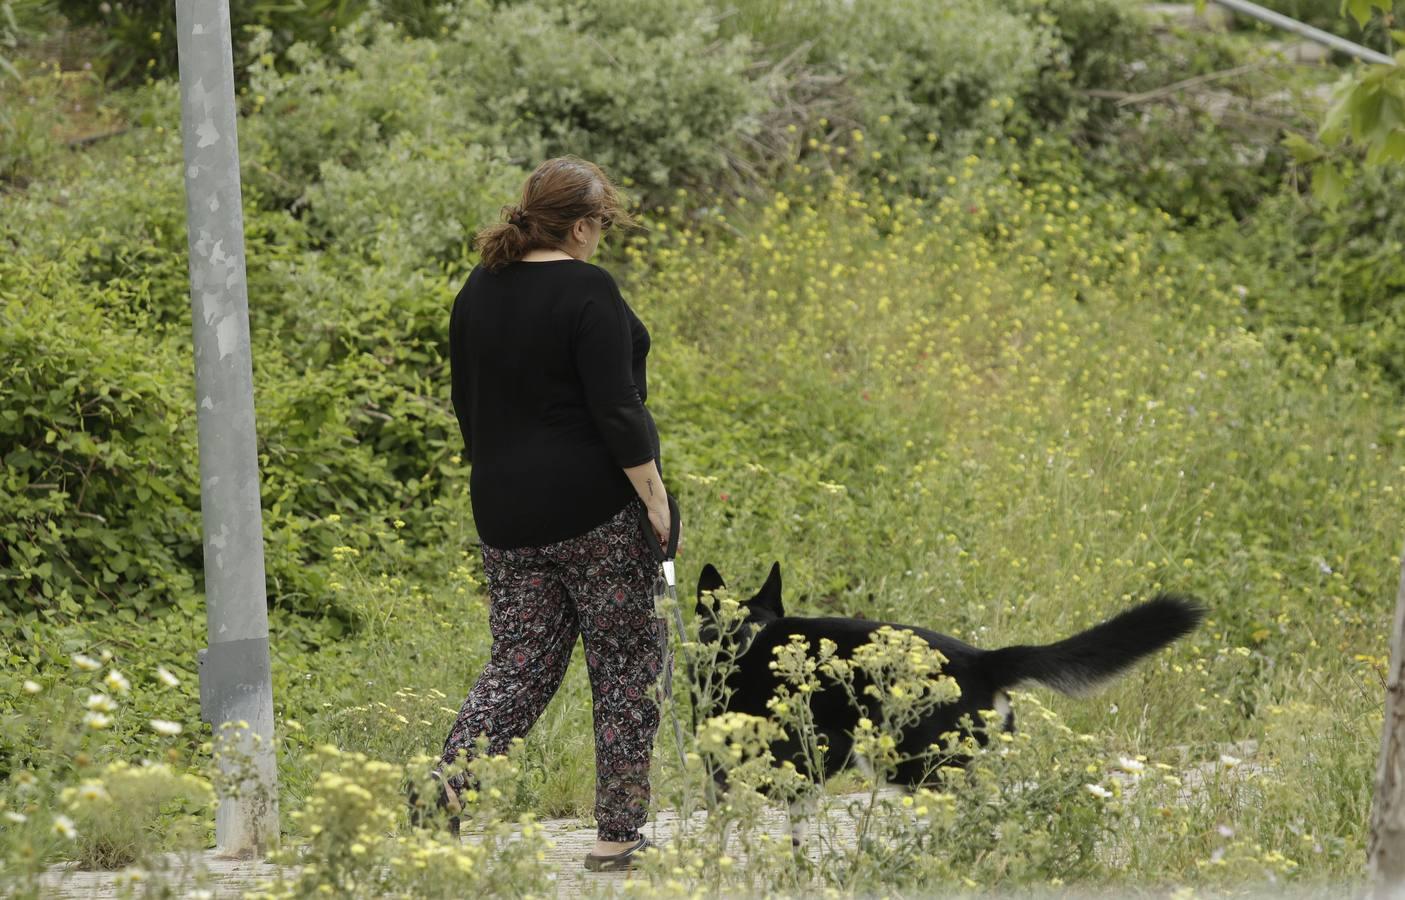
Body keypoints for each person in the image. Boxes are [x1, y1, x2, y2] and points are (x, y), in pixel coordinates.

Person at [425, 156, 672, 872]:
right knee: (626, 667)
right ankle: (616, 836)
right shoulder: (587, 288)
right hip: (594, 507)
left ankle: (442, 797)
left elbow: (468, 406)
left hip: (504, 510)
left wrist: (503, 480)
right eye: (600, 225)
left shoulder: (478, 288)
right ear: (583, 225)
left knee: (517, 668)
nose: (600, 239)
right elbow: (617, 409)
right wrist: (654, 500)